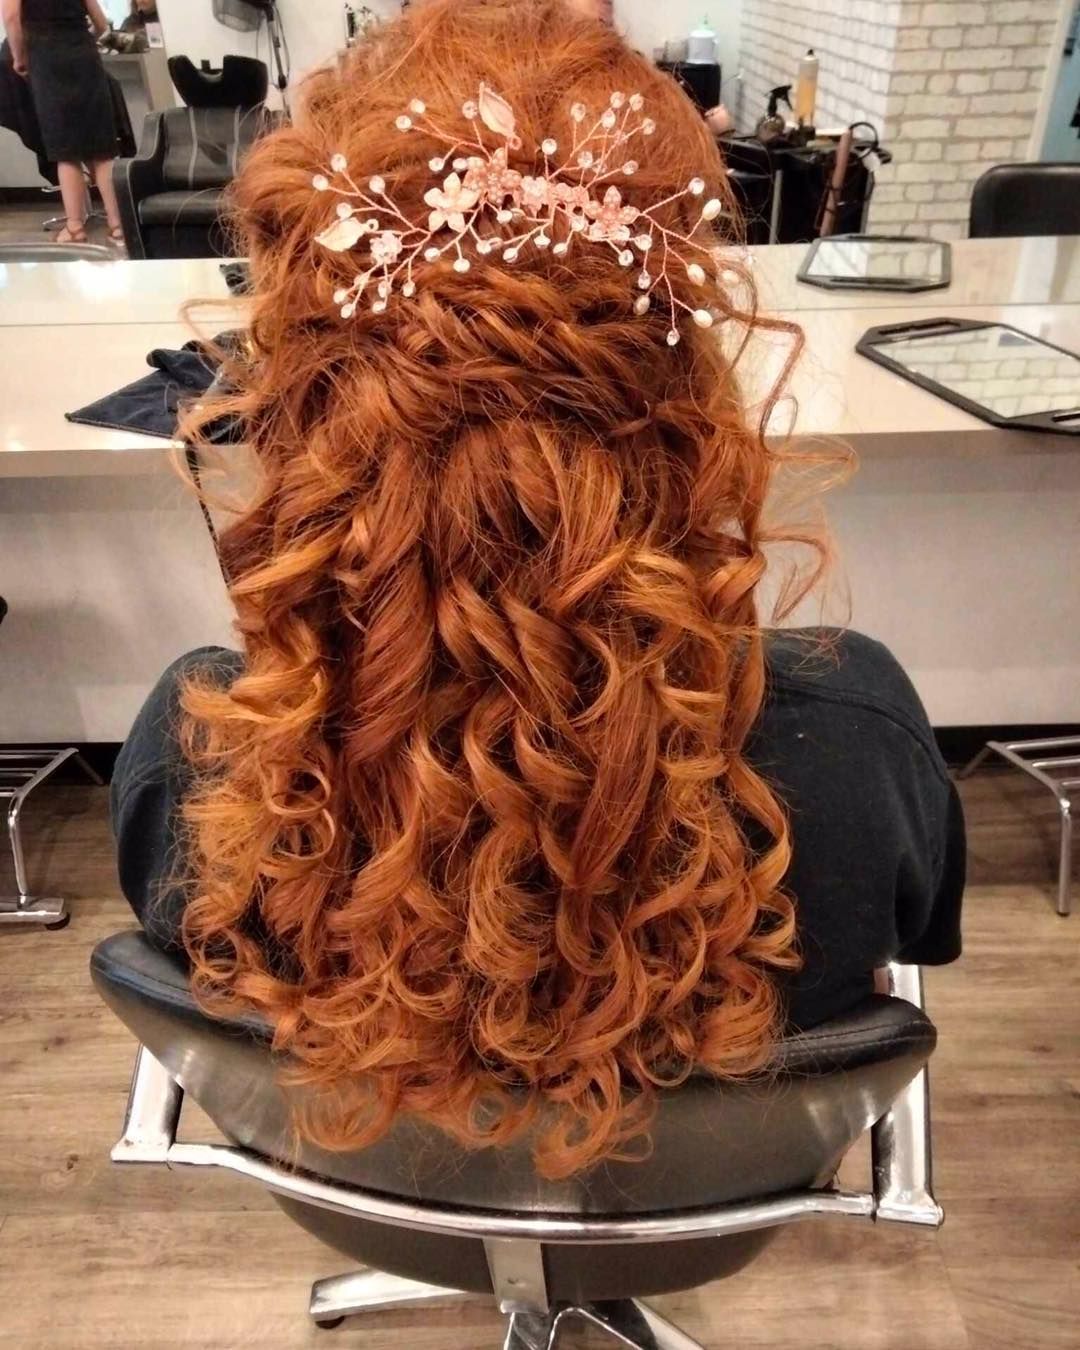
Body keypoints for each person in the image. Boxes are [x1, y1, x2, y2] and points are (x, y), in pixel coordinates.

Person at [112, 0, 963, 1180]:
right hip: (698, 1215)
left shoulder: (195, 760)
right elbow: (906, 942)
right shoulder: (860, 745)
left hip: (375, 1189)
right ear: (681, 377)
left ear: (307, 379)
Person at [2, 0, 124, 244]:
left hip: (46, 55)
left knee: (66, 151)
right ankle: (119, 225)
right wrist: (82, 37)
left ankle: (75, 227)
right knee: (102, 149)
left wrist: (19, 56)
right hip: (82, 52)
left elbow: (11, 17)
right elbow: (100, 22)